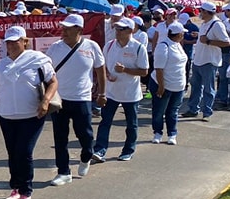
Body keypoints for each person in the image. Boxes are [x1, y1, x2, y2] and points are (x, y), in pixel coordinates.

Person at [0, 26, 56, 199]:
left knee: (24, 151)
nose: (11, 45)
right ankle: (16, 188)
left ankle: (26, 192)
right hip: (7, 116)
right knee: (13, 153)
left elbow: (53, 82)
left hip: (32, 115)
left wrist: (45, 101)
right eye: (8, 42)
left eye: (15, 42)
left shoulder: (38, 60)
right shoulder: (2, 64)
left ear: (25, 41)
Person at [45, 14, 105, 186]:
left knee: (85, 135)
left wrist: (102, 93)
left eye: (68, 28)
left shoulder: (91, 46)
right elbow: (46, 71)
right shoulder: (55, 48)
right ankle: (63, 172)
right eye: (63, 28)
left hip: (82, 99)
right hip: (59, 100)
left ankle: (86, 156)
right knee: (60, 138)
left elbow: (100, 70)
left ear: (79, 29)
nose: (63, 31)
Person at [93, 18, 149, 162]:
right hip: (111, 93)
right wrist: (107, 74)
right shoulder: (109, 45)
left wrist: (125, 70)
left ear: (130, 30)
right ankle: (99, 150)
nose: (117, 32)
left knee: (131, 124)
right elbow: (102, 66)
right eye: (116, 29)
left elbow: (144, 72)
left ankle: (128, 151)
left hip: (130, 94)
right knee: (105, 122)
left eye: (121, 29)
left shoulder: (138, 48)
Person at [182, 2, 230, 120]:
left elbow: (226, 42)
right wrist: (199, 35)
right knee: (196, 87)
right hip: (199, 59)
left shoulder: (217, 24)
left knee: (208, 88)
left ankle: (207, 112)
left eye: (201, 11)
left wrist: (208, 42)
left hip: (209, 61)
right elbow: (205, 37)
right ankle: (193, 109)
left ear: (207, 12)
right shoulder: (205, 23)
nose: (199, 13)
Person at [151, 22, 187, 145]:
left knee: (173, 111)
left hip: (178, 85)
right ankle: (158, 132)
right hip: (164, 84)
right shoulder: (163, 46)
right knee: (159, 111)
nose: (183, 35)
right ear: (178, 34)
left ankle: (172, 134)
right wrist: (161, 86)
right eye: (182, 33)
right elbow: (159, 69)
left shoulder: (177, 45)